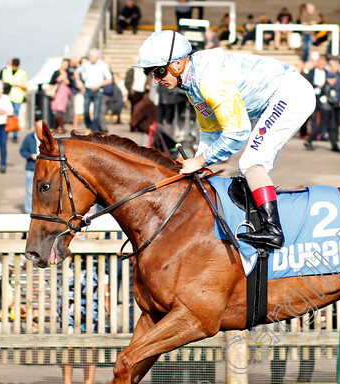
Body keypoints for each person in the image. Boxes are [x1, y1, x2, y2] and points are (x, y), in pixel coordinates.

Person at [134, 30, 317, 249]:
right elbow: (211, 129)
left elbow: (236, 134)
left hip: (291, 95)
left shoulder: (209, 81)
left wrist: (201, 161)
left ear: (178, 64)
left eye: (160, 72)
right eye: (150, 73)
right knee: (250, 166)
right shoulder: (191, 83)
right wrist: (199, 162)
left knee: (251, 162)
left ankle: (273, 230)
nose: (156, 80)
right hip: (276, 97)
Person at [305, 58, 340, 152]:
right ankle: (310, 140)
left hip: (328, 108)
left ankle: (334, 145)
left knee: (331, 127)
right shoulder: (327, 86)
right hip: (325, 108)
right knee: (321, 125)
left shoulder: (329, 85)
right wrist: (336, 102)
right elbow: (329, 98)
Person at [78, 49, 114, 133]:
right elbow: (77, 71)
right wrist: (78, 81)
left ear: (97, 57)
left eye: (94, 57)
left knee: (96, 113)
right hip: (87, 90)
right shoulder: (86, 64)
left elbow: (109, 79)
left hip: (98, 91)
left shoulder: (103, 65)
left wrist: (99, 85)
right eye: (90, 56)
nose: (92, 58)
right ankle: (89, 127)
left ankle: (94, 131)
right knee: (86, 111)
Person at [1, 58, 27, 142]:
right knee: (6, 114)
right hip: (7, 97)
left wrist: (18, 85)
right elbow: (3, 83)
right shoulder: (6, 72)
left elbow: (25, 87)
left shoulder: (23, 73)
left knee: (15, 115)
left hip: (17, 97)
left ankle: (15, 134)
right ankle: (6, 132)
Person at [49, 59, 77, 130]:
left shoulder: (69, 73)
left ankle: (56, 128)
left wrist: (68, 81)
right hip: (57, 93)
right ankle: (62, 127)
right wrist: (59, 78)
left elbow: (71, 83)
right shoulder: (57, 73)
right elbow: (52, 82)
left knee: (61, 111)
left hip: (65, 94)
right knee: (57, 110)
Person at [20, 130, 39, 213]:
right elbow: (22, 151)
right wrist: (31, 155)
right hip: (31, 168)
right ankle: (28, 212)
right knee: (29, 192)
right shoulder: (29, 137)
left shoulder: (46, 138)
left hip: (44, 170)